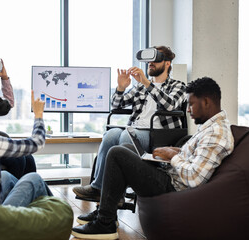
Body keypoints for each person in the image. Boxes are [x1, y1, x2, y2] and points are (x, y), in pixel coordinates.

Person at [71, 77, 234, 239]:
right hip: (170, 174)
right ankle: (107, 214)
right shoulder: (210, 127)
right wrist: (175, 151)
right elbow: (195, 157)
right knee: (125, 148)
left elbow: (194, 177)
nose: (188, 110)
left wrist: (173, 156)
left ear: (206, 102)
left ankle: (104, 224)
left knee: (117, 153)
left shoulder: (216, 134)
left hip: (173, 186)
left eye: (191, 104)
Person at [73, 46, 186, 200]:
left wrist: (147, 83)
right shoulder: (140, 87)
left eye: (155, 60)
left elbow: (170, 105)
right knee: (111, 135)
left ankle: (116, 195)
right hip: (135, 128)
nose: (150, 64)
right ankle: (98, 188)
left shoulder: (178, 86)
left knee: (127, 136)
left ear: (167, 63)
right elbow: (117, 105)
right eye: (148, 61)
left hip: (159, 135)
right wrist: (120, 88)